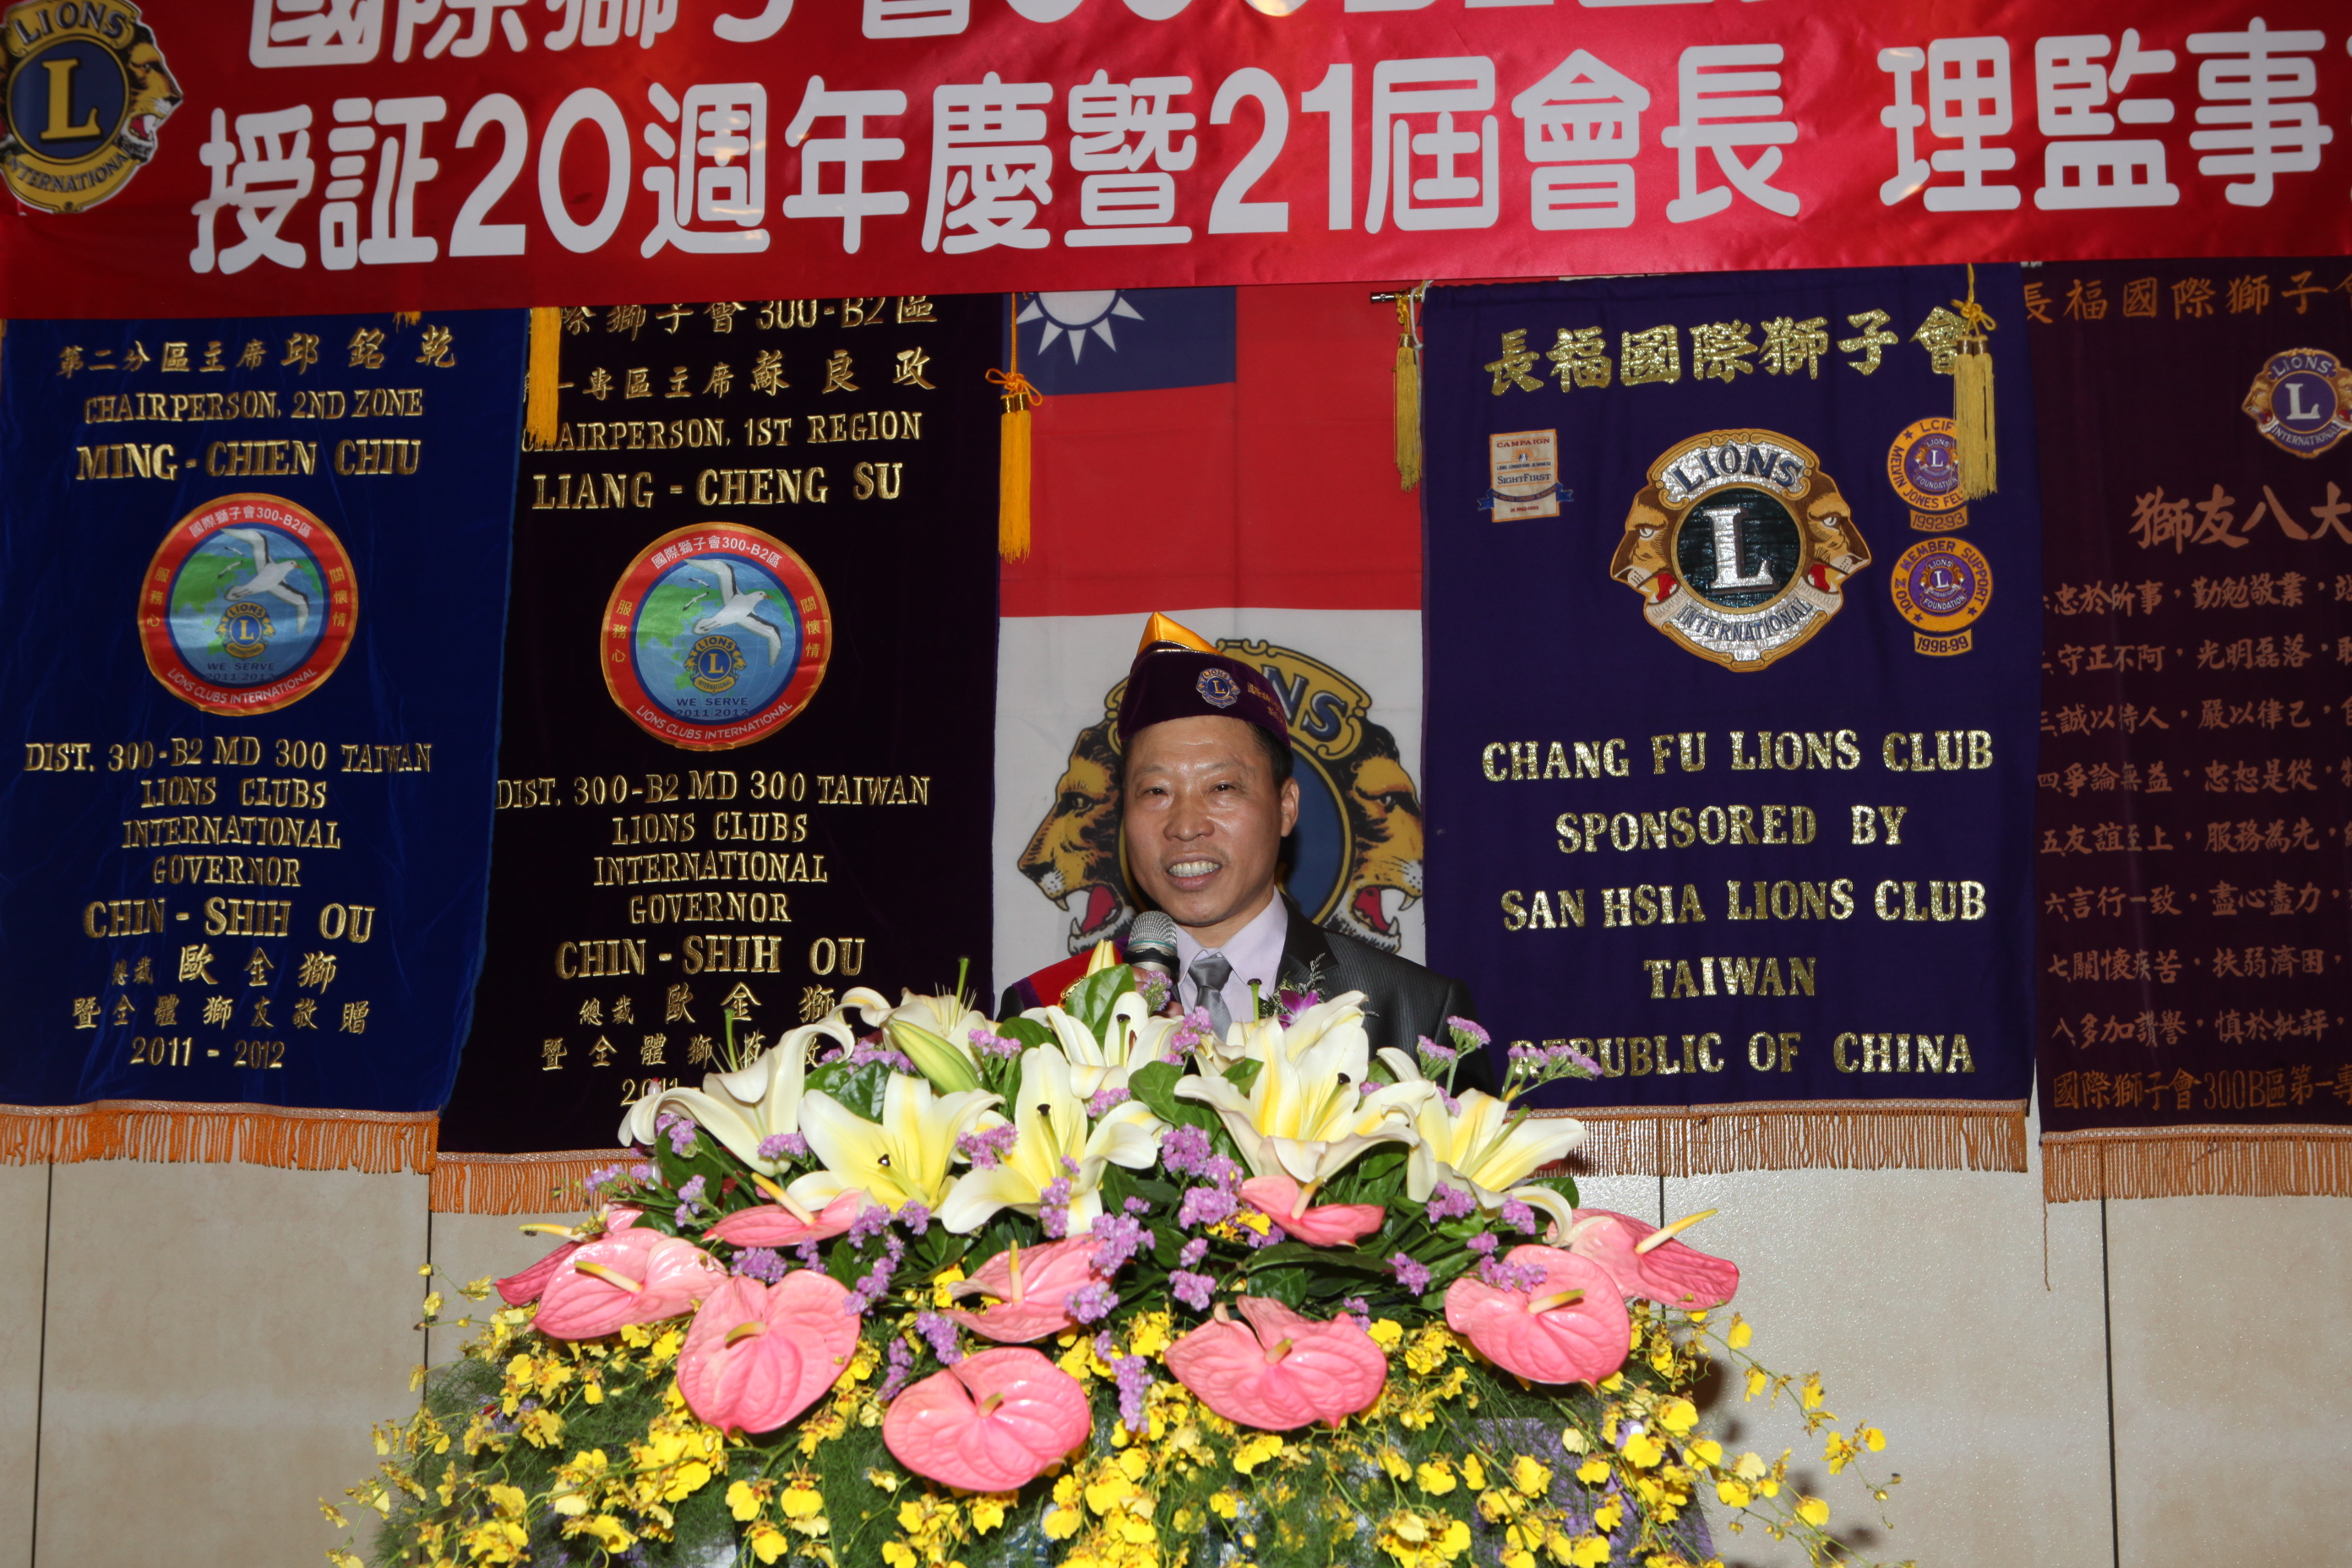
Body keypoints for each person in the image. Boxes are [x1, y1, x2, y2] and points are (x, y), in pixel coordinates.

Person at [1000, 612, 1491, 1092]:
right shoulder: (1047, 1016)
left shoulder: (1415, 1011)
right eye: (1155, 792)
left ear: (1286, 807)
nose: (1185, 826)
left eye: (1222, 788)